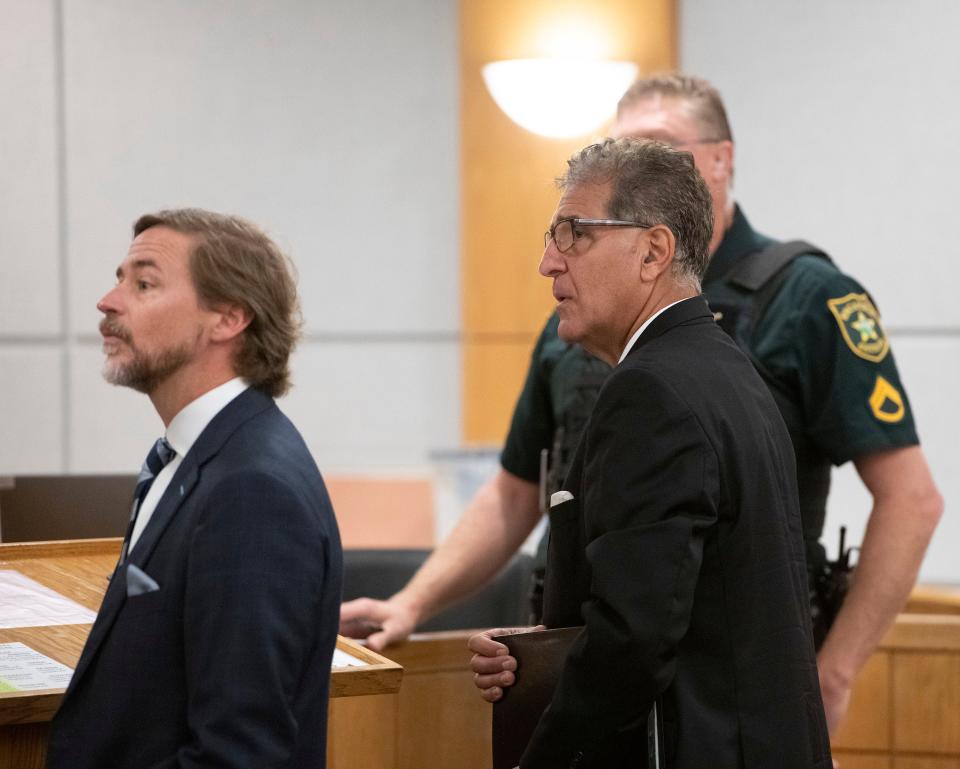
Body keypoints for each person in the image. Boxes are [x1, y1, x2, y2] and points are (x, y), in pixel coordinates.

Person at [341, 75, 943, 732]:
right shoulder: (578, 311)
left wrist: (834, 670)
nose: (636, 166)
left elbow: (911, 498)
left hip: (712, 687)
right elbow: (517, 493)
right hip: (584, 662)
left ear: (721, 159)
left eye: (658, 147)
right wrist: (413, 601)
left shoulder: (807, 299)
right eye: (620, 148)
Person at [477, 137, 832, 768]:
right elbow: (692, 608)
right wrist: (539, 662)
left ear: (652, 251)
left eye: (573, 234)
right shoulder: (726, 369)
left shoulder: (651, 392)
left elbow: (633, 642)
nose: (548, 263)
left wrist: (539, 759)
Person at [48, 209, 343, 769]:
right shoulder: (190, 455)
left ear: (228, 318)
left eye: (144, 283)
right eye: (120, 279)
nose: (108, 301)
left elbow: (239, 752)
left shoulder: (253, 491)